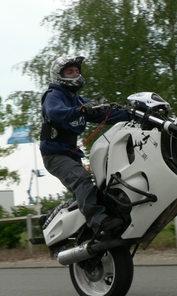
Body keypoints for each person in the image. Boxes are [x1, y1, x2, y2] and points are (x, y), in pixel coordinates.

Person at [39, 55, 131, 233]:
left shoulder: (79, 100)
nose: (75, 74)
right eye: (70, 71)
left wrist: (132, 112)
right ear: (59, 75)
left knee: (99, 187)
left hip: (71, 155)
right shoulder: (53, 96)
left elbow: (106, 114)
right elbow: (55, 112)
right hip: (55, 156)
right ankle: (98, 221)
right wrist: (79, 111)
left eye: (76, 71)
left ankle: (58, 217)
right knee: (82, 180)